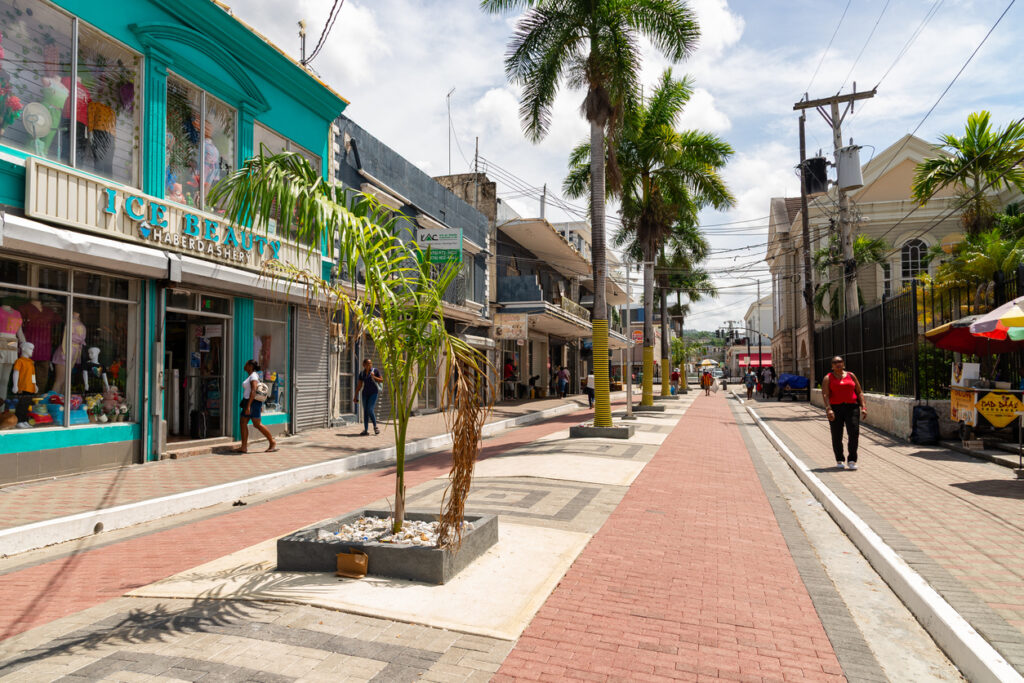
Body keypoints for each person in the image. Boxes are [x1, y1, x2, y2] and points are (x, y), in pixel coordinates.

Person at [821, 356, 867, 470]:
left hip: (852, 407)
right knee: (837, 435)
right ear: (832, 365)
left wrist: (863, 407)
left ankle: (852, 460)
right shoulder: (828, 378)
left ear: (843, 364)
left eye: (840, 362)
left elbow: (859, 392)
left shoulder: (851, 375)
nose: (838, 364)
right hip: (836, 408)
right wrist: (828, 409)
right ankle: (839, 459)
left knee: (854, 433)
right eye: (835, 362)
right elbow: (826, 394)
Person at [234, 359, 277, 454]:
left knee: (257, 424)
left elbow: (253, 391)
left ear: (250, 366)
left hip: (252, 402)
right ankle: (244, 447)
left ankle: (272, 442)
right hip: (248, 402)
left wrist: (249, 406)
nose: (244, 365)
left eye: (246, 364)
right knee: (243, 422)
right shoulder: (251, 376)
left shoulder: (253, 376)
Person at [354, 358, 384, 436]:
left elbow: (381, 380)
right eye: (368, 363)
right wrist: (355, 396)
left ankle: (375, 427)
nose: (370, 365)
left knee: (370, 409)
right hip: (365, 394)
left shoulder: (375, 371)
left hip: (373, 393)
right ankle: (366, 430)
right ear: (364, 365)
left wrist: (374, 377)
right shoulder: (362, 374)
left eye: (370, 363)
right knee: (365, 412)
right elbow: (359, 386)